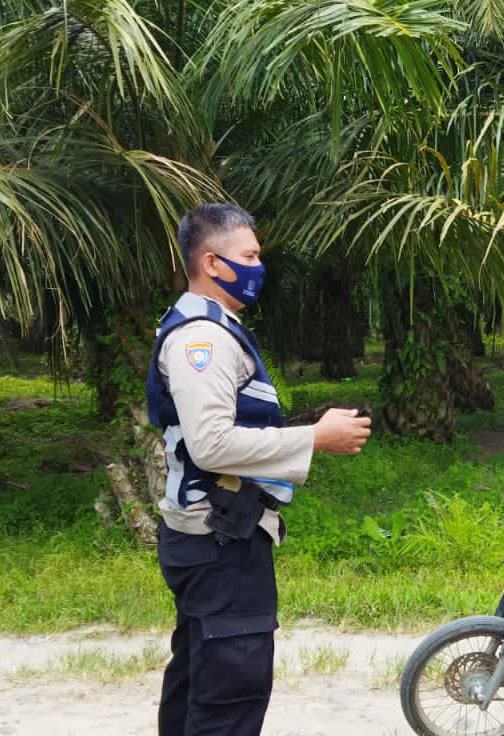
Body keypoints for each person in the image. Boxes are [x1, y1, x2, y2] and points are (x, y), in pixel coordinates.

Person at [147, 203, 371, 736]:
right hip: (219, 541)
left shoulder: (212, 327)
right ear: (212, 262)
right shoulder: (203, 339)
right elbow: (211, 445)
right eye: (248, 256)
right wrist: (316, 437)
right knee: (230, 692)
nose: (257, 267)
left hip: (213, 537)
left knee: (201, 677)